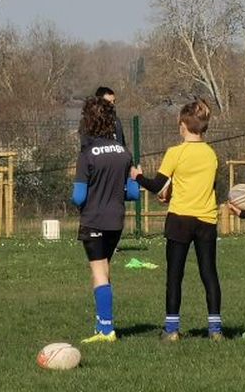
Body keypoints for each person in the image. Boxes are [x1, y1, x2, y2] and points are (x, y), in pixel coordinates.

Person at [131, 98, 222, 342]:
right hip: (206, 219)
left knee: (175, 274)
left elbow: (156, 185)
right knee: (209, 273)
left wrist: (138, 176)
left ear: (183, 124)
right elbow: (208, 187)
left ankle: (171, 330)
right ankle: (215, 330)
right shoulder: (211, 155)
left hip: (180, 219)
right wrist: (171, 191)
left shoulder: (175, 153)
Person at [71, 97, 140, 344]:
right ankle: (103, 323)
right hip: (116, 221)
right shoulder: (124, 153)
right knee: (105, 269)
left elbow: (78, 197)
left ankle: (106, 330)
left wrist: (88, 191)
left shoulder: (87, 154)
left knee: (99, 272)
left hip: (94, 220)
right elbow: (132, 193)